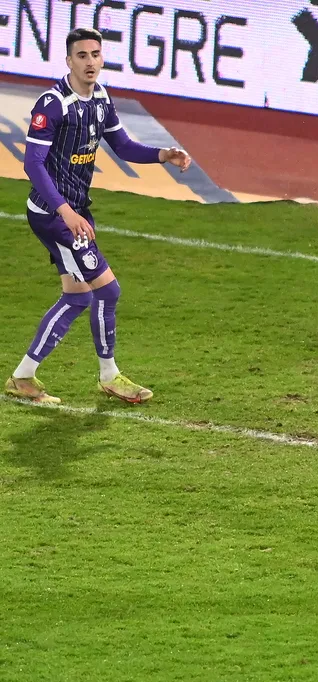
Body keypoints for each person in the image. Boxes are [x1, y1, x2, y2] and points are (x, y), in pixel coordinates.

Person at [5, 28, 191, 405]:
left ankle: (22, 377)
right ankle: (110, 376)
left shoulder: (101, 98)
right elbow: (33, 164)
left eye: (95, 54)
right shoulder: (53, 104)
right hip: (53, 214)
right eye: (82, 55)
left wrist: (162, 155)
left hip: (74, 211)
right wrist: (65, 211)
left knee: (77, 298)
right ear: (69, 61)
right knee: (108, 290)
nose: (90, 62)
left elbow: (122, 146)